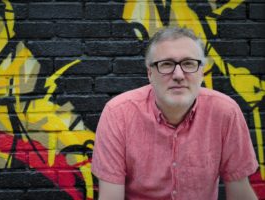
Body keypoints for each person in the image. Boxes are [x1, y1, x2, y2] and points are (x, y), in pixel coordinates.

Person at [91, 27, 259, 200]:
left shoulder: (226, 112)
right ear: (150, 73)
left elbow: (241, 192)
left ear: (201, 71)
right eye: (166, 64)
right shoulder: (118, 114)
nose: (178, 75)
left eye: (188, 63)